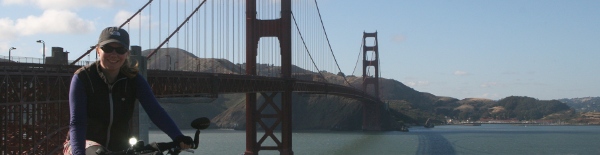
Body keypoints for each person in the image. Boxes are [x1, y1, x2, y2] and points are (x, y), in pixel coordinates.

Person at [64, 27, 194, 154]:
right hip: (85, 144)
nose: (114, 54)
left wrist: (178, 137)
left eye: (120, 50)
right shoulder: (83, 78)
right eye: (108, 48)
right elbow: (77, 122)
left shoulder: (133, 79)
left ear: (127, 54)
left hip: (120, 146)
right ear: (98, 50)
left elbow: (155, 111)